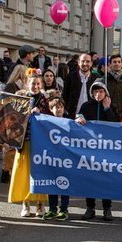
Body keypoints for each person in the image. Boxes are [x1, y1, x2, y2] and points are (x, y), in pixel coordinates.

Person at [76, 81, 121, 220]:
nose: (98, 94)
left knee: (105, 179)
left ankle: (107, 208)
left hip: (106, 149)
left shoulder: (111, 105)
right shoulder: (86, 105)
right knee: (90, 178)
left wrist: (107, 109)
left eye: (101, 91)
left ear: (105, 93)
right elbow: (79, 116)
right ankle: (90, 207)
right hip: (90, 148)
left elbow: (116, 124)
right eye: (95, 92)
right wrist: (79, 118)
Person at [18, 75, 50, 218]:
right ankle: (25, 203)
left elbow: (50, 117)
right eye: (33, 83)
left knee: (40, 174)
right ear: (27, 84)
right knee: (24, 174)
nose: (35, 86)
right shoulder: (21, 99)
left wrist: (40, 112)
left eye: (38, 83)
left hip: (39, 143)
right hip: (24, 141)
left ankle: (40, 203)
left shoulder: (44, 100)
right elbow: (13, 118)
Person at [42, 93, 72, 221]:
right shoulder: (46, 122)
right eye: (55, 107)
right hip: (51, 159)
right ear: (51, 109)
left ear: (64, 108)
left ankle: (64, 209)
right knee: (52, 184)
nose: (58, 109)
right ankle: (52, 209)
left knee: (65, 184)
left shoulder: (70, 122)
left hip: (65, 160)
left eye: (60, 107)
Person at [63, 53, 97, 118]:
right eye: (83, 61)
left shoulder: (95, 78)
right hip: (72, 115)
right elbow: (65, 95)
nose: (85, 64)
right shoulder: (70, 77)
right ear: (78, 62)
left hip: (90, 116)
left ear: (91, 63)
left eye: (87, 61)